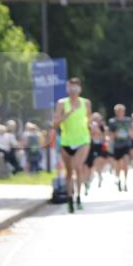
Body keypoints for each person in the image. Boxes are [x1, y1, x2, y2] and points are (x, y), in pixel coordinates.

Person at [52, 77, 92, 213]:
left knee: (78, 167)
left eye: (76, 87)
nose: (73, 90)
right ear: (67, 89)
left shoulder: (86, 103)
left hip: (83, 140)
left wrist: (93, 128)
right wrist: (67, 114)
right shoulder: (62, 104)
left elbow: (89, 120)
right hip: (66, 141)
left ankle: (79, 197)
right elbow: (55, 123)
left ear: (80, 89)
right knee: (69, 172)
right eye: (71, 87)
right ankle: (69, 197)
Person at [107, 104, 131, 191]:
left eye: (121, 111)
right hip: (117, 145)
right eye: (118, 111)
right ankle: (118, 179)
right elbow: (110, 134)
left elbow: (131, 132)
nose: (120, 112)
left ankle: (125, 181)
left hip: (126, 144)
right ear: (116, 112)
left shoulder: (128, 121)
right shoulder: (112, 122)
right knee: (117, 164)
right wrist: (115, 134)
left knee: (125, 162)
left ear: (124, 111)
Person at [87, 112, 109, 188]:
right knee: (93, 162)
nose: (96, 120)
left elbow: (105, 137)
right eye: (94, 119)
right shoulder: (89, 126)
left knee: (99, 162)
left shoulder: (103, 127)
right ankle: (92, 176)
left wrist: (99, 131)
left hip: (100, 146)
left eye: (97, 119)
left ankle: (99, 175)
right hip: (92, 146)